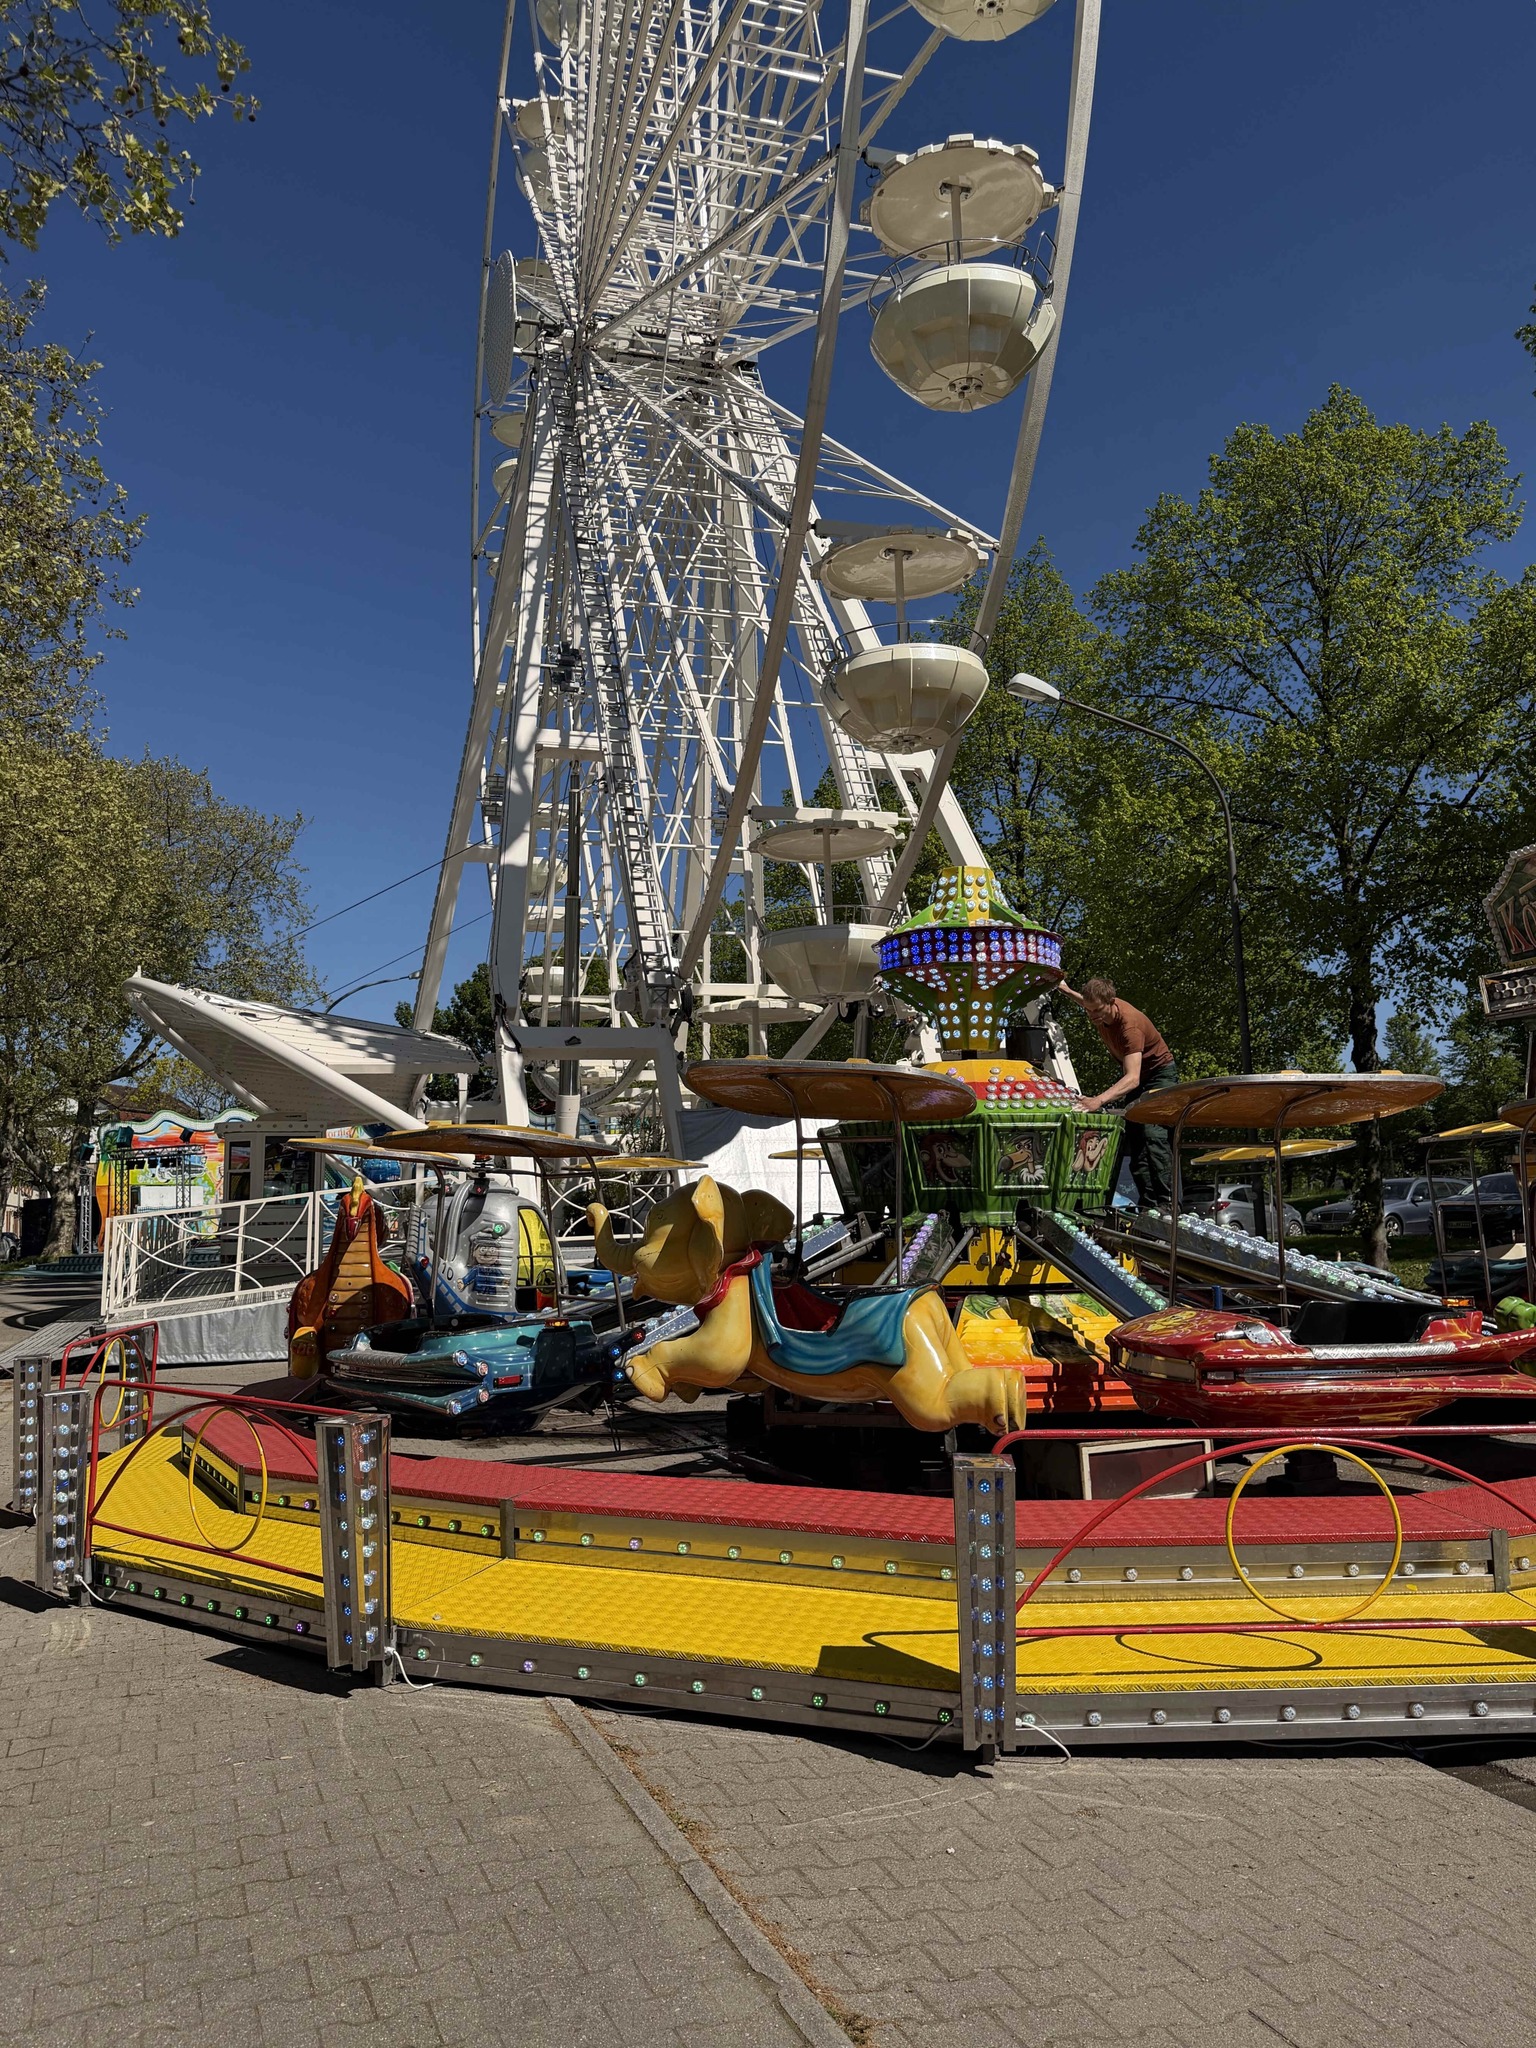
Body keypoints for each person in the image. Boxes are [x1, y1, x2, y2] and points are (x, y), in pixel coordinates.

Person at [1056, 976, 1179, 1207]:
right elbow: (1082, 1000)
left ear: (1111, 1002)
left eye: (1097, 1011)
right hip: (1139, 1077)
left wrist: (1098, 1101)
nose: (1092, 1016)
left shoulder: (1129, 1026)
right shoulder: (1096, 1006)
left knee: (1153, 1137)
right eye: (1089, 1009)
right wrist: (1063, 988)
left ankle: (1169, 1205)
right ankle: (1149, 1204)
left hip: (1157, 1076)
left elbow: (1132, 1079)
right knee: (1135, 1140)